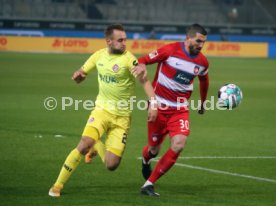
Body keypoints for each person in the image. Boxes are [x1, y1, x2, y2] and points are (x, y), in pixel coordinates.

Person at [48, 24, 157, 197]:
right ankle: (57, 186)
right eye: (120, 40)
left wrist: (154, 103)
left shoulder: (129, 59)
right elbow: (81, 72)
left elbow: (144, 81)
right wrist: (78, 76)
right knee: (83, 144)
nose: (124, 43)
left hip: (122, 117)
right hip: (101, 111)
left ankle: (96, 145)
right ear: (109, 41)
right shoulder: (98, 56)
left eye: (125, 40)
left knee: (111, 164)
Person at [136, 23, 209, 196]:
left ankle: (148, 184)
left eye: (203, 42)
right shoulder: (169, 50)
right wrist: (141, 68)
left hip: (180, 110)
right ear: (188, 38)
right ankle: (146, 160)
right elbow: (143, 60)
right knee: (154, 150)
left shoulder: (203, 62)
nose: (201, 45)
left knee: (178, 144)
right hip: (158, 107)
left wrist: (203, 102)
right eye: (198, 41)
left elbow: (204, 80)